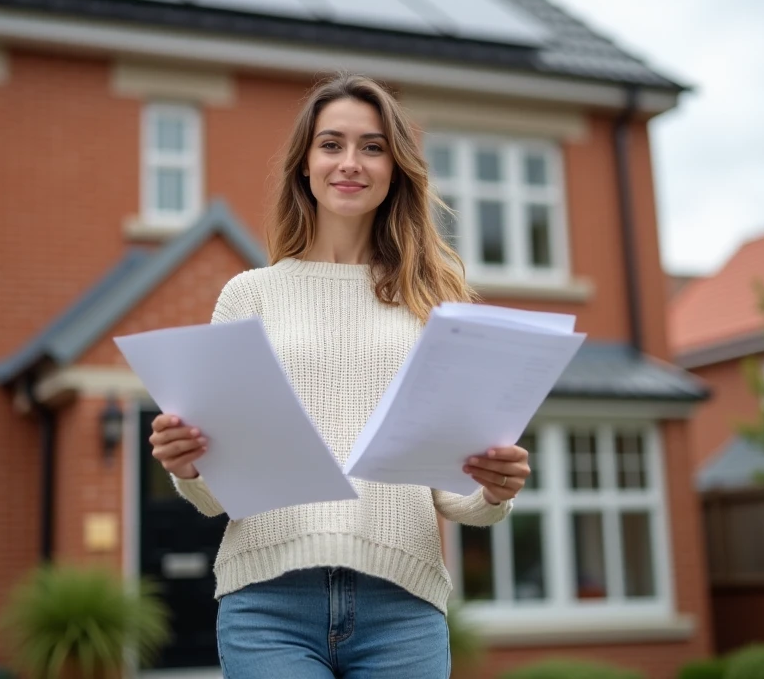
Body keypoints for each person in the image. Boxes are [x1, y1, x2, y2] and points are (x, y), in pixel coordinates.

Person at [148, 73, 530, 678]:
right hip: (268, 602)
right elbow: (217, 493)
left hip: (402, 608)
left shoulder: (432, 305)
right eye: (331, 144)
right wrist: (188, 466)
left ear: (395, 168)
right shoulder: (249, 296)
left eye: (372, 147)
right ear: (305, 164)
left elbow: (455, 493)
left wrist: (494, 489)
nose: (350, 162)